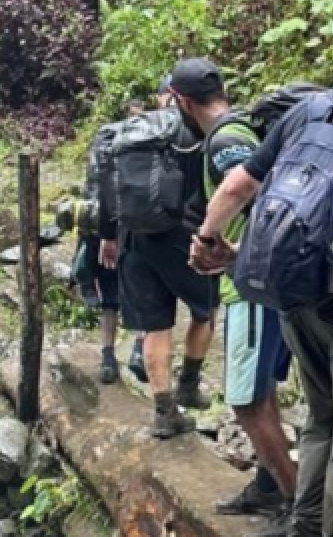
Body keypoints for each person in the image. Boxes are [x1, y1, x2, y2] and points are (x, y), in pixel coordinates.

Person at [191, 38, 333, 537]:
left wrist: (207, 240)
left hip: (292, 290)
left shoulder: (307, 110)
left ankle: (305, 524)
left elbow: (237, 186)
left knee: (321, 416)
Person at [168, 58, 301, 530]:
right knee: (258, 391)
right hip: (255, 280)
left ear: (183, 101)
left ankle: (295, 503)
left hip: (251, 285)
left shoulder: (227, 139)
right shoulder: (240, 127)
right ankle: (269, 484)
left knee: (245, 401)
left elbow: (246, 190)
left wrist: (210, 241)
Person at [99, 71, 216, 439]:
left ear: (163, 95)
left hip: (133, 238)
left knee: (154, 327)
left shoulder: (132, 131)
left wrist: (108, 236)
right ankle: (189, 383)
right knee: (206, 309)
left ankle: (164, 412)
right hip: (183, 236)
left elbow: (107, 187)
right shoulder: (194, 132)